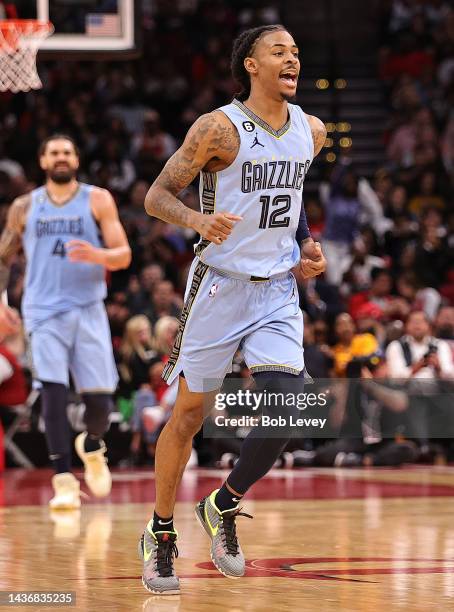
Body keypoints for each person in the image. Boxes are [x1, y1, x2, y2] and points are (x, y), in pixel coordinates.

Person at [139, 25, 327, 595]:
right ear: (250, 64)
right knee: (190, 415)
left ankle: (223, 503)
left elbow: (289, 202)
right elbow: (156, 197)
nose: (292, 58)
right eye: (279, 51)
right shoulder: (219, 127)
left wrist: (307, 243)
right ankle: (161, 531)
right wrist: (198, 221)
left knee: (291, 405)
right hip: (219, 286)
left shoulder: (311, 131)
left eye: (296, 51)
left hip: (276, 291)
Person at [0, 134, 131, 509]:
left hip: (88, 309)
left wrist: (99, 255)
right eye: (54, 153)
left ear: (76, 159)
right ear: (43, 161)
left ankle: (91, 444)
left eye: (67, 152)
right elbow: (4, 257)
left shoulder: (97, 199)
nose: (61, 158)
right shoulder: (25, 206)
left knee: (101, 404)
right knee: (52, 392)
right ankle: (63, 480)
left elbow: (123, 255)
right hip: (42, 311)